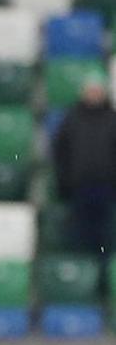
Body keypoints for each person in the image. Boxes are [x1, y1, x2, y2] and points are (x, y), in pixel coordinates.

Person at [52, 74, 116, 262]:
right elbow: (60, 153)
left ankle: (102, 279)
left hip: (107, 187)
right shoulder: (71, 119)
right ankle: (82, 276)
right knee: (80, 234)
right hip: (79, 186)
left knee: (105, 235)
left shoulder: (113, 119)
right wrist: (64, 181)